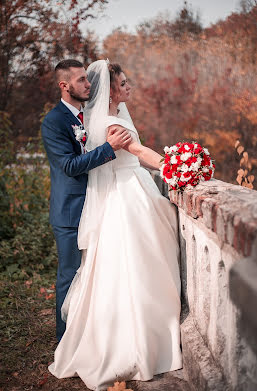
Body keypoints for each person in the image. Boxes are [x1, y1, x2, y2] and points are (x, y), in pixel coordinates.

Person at [48, 59, 183, 390]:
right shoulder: (105, 122)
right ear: (112, 90)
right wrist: (177, 167)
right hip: (121, 195)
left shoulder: (107, 116)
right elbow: (133, 150)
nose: (128, 87)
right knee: (123, 266)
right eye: (123, 83)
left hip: (130, 188)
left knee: (137, 261)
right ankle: (109, 336)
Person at [41, 59, 132, 342]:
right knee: (70, 275)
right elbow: (69, 166)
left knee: (96, 274)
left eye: (88, 79)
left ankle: (92, 336)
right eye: (81, 80)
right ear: (64, 85)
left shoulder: (90, 116)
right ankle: (65, 340)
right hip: (70, 211)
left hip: (99, 205)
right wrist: (109, 149)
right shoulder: (54, 122)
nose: (88, 84)